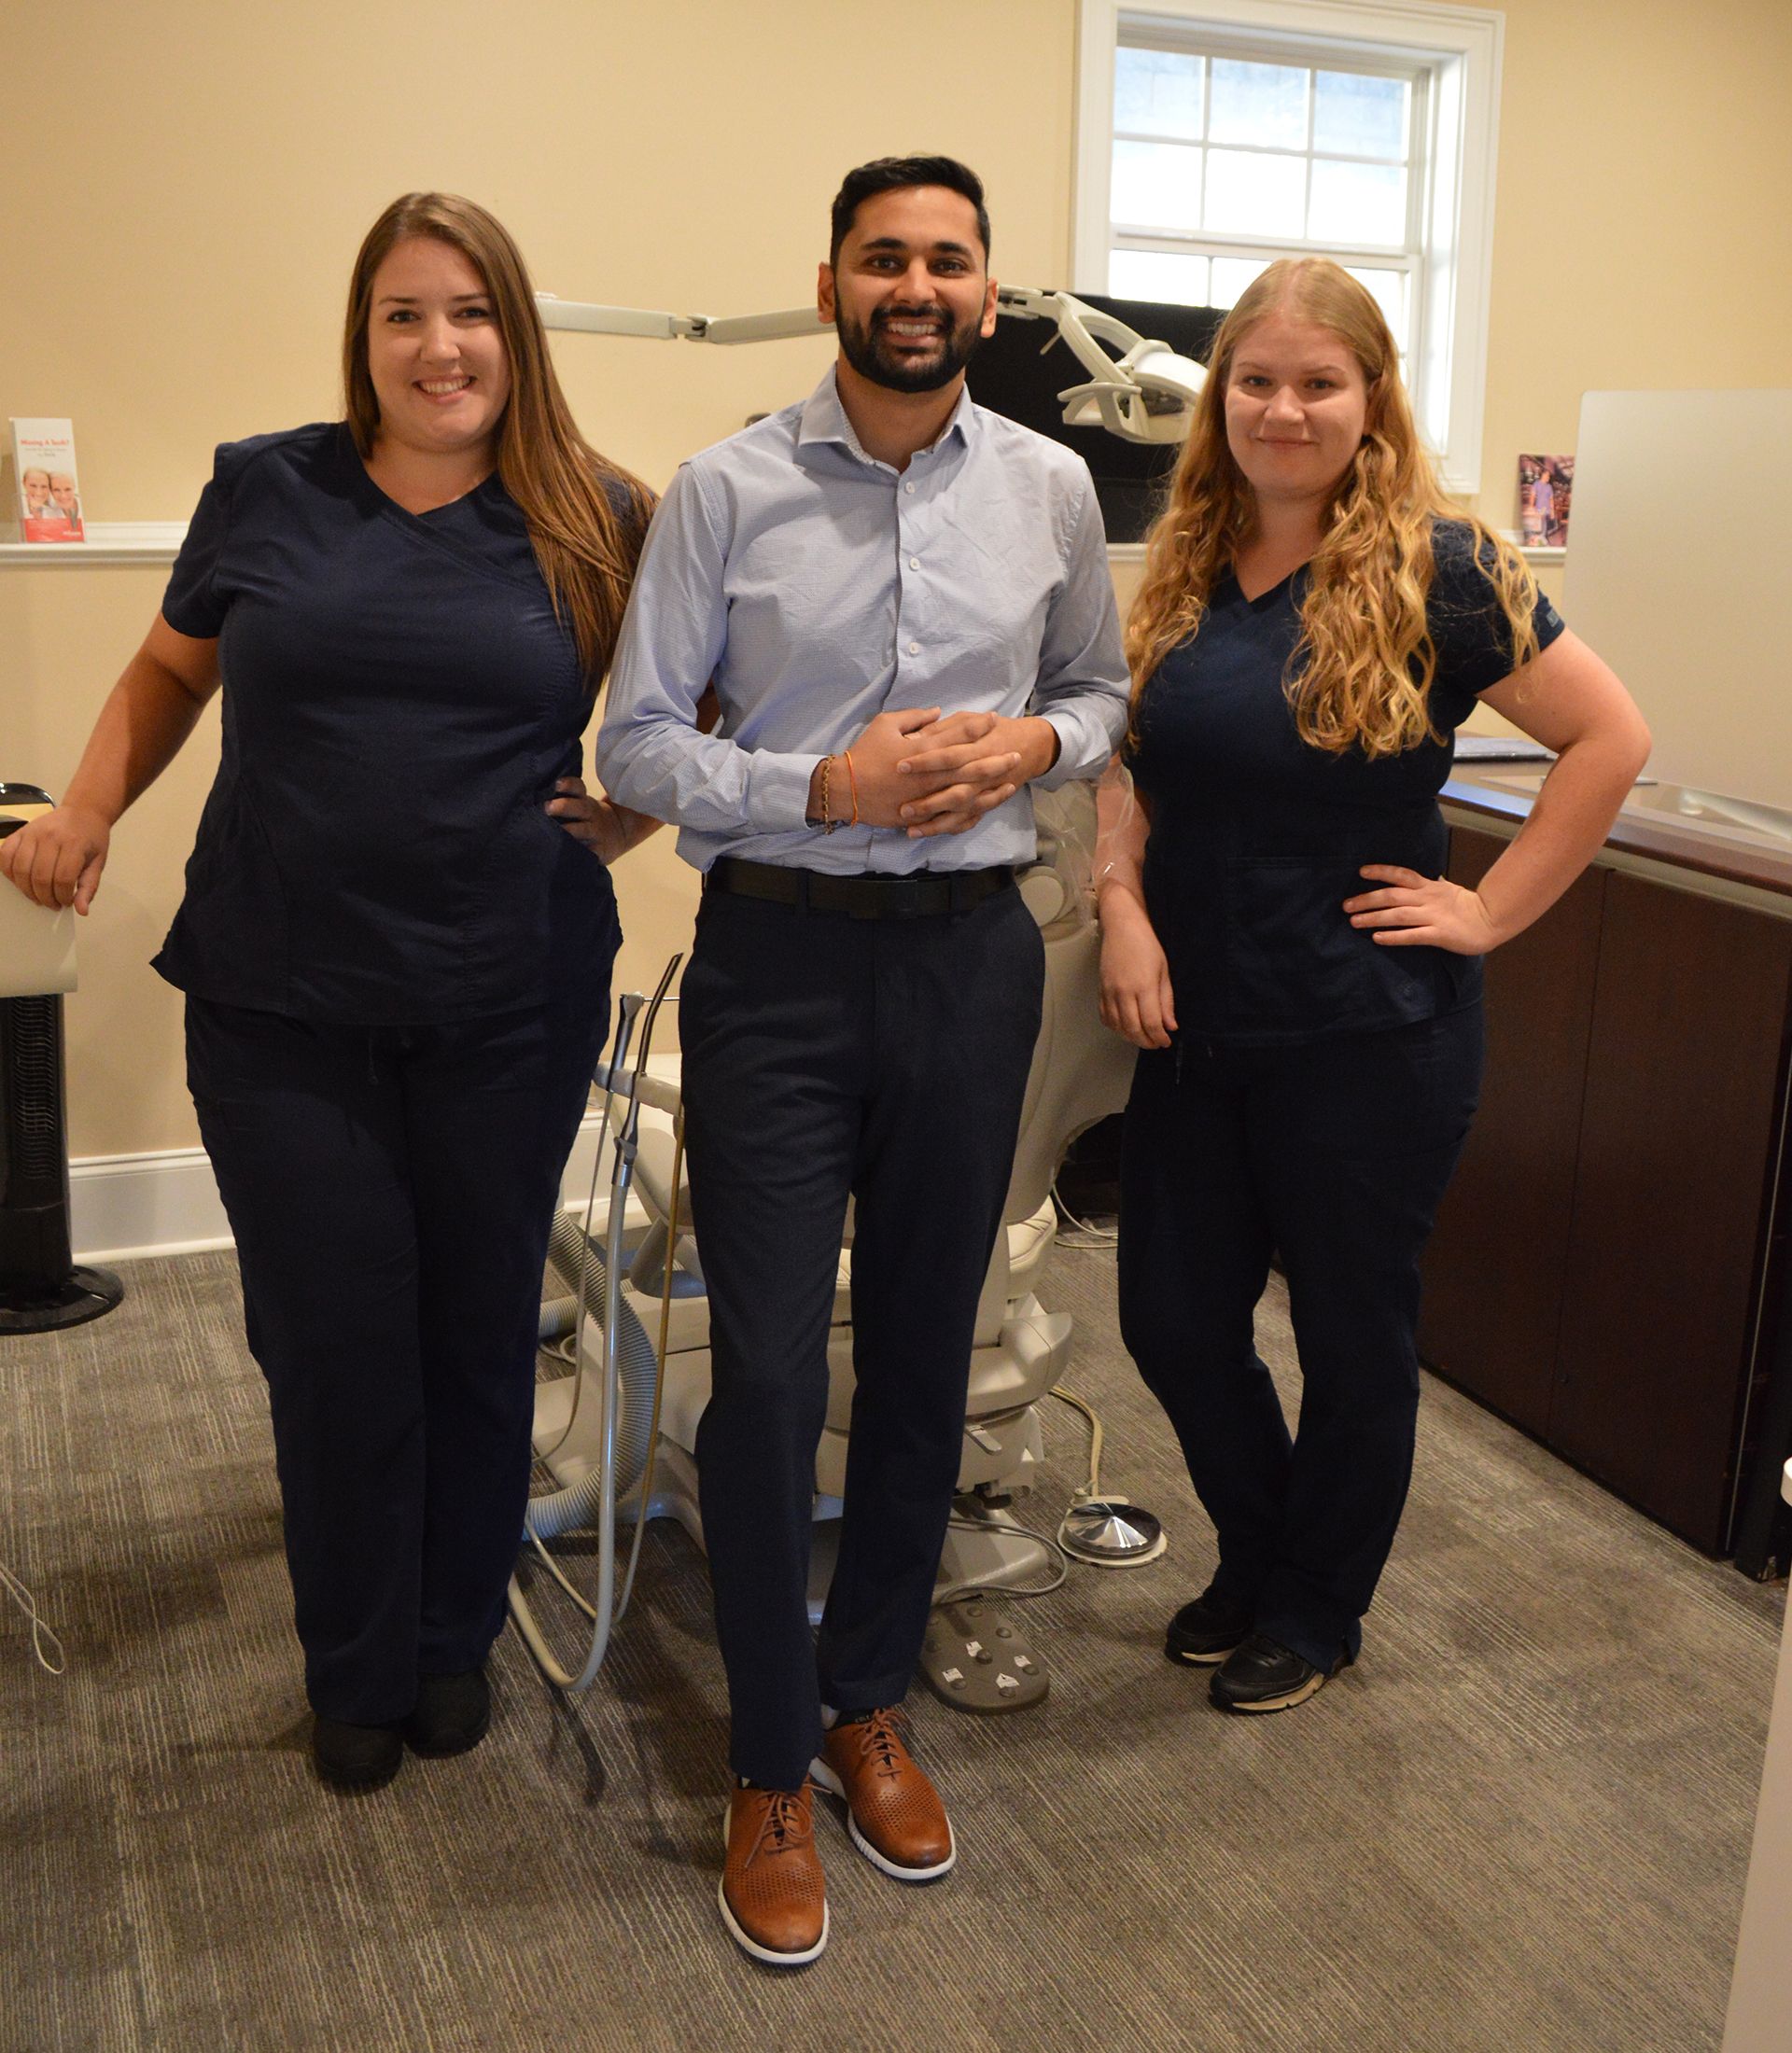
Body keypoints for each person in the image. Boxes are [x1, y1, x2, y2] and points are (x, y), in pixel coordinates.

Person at [0, 192, 656, 1789]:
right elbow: (169, 668)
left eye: (471, 313)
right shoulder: (268, 488)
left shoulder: (601, 511)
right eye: (404, 315)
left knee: (479, 1322)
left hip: (509, 991)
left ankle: (450, 1639)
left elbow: (693, 698)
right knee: (332, 1334)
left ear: (517, 329)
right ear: (363, 338)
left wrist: (632, 813)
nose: (441, 347)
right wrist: (86, 810)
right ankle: (355, 1658)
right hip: (280, 993)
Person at [596, 153, 1127, 1965]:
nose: (919, 283)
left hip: (976, 964)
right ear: (829, 276)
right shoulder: (725, 488)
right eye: (886, 255)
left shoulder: (1054, 486)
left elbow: (1104, 692)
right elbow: (643, 743)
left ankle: (865, 1697)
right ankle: (762, 1756)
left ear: (988, 290)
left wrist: (1035, 741)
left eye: (950, 260)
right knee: (759, 1370)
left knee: (922, 1345)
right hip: (779, 964)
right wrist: (823, 784)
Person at [1098, 258, 1650, 1716]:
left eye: (1317, 383)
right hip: (1198, 1020)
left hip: (1366, 1033)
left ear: (1370, 399)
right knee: (1168, 1313)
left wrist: (1487, 910)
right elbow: (1130, 768)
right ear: (1220, 399)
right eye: (1256, 381)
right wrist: (1119, 907)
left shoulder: (1443, 565)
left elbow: (1610, 740)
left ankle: (1315, 1606)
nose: (1283, 409)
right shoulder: (1189, 558)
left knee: (1351, 1336)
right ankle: (1269, 1545)